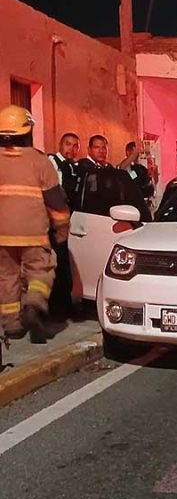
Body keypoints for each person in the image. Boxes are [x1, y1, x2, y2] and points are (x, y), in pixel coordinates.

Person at [0, 106, 70, 343]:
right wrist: (61, 233)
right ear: (28, 131)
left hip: (1, 236)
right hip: (33, 233)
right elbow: (57, 205)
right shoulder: (40, 162)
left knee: (6, 278)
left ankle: (12, 327)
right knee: (40, 272)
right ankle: (33, 305)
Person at [48, 133, 81, 318]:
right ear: (60, 144)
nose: (72, 149)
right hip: (55, 222)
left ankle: (65, 305)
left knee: (67, 264)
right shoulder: (52, 162)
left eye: (75, 145)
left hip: (71, 221)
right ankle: (57, 309)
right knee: (58, 265)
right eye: (68, 144)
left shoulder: (75, 167)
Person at [118, 141, 155, 214]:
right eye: (134, 151)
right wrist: (136, 151)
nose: (137, 154)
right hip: (133, 204)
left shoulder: (140, 167)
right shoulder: (126, 166)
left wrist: (148, 155)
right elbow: (123, 167)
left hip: (146, 203)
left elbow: (150, 175)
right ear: (128, 152)